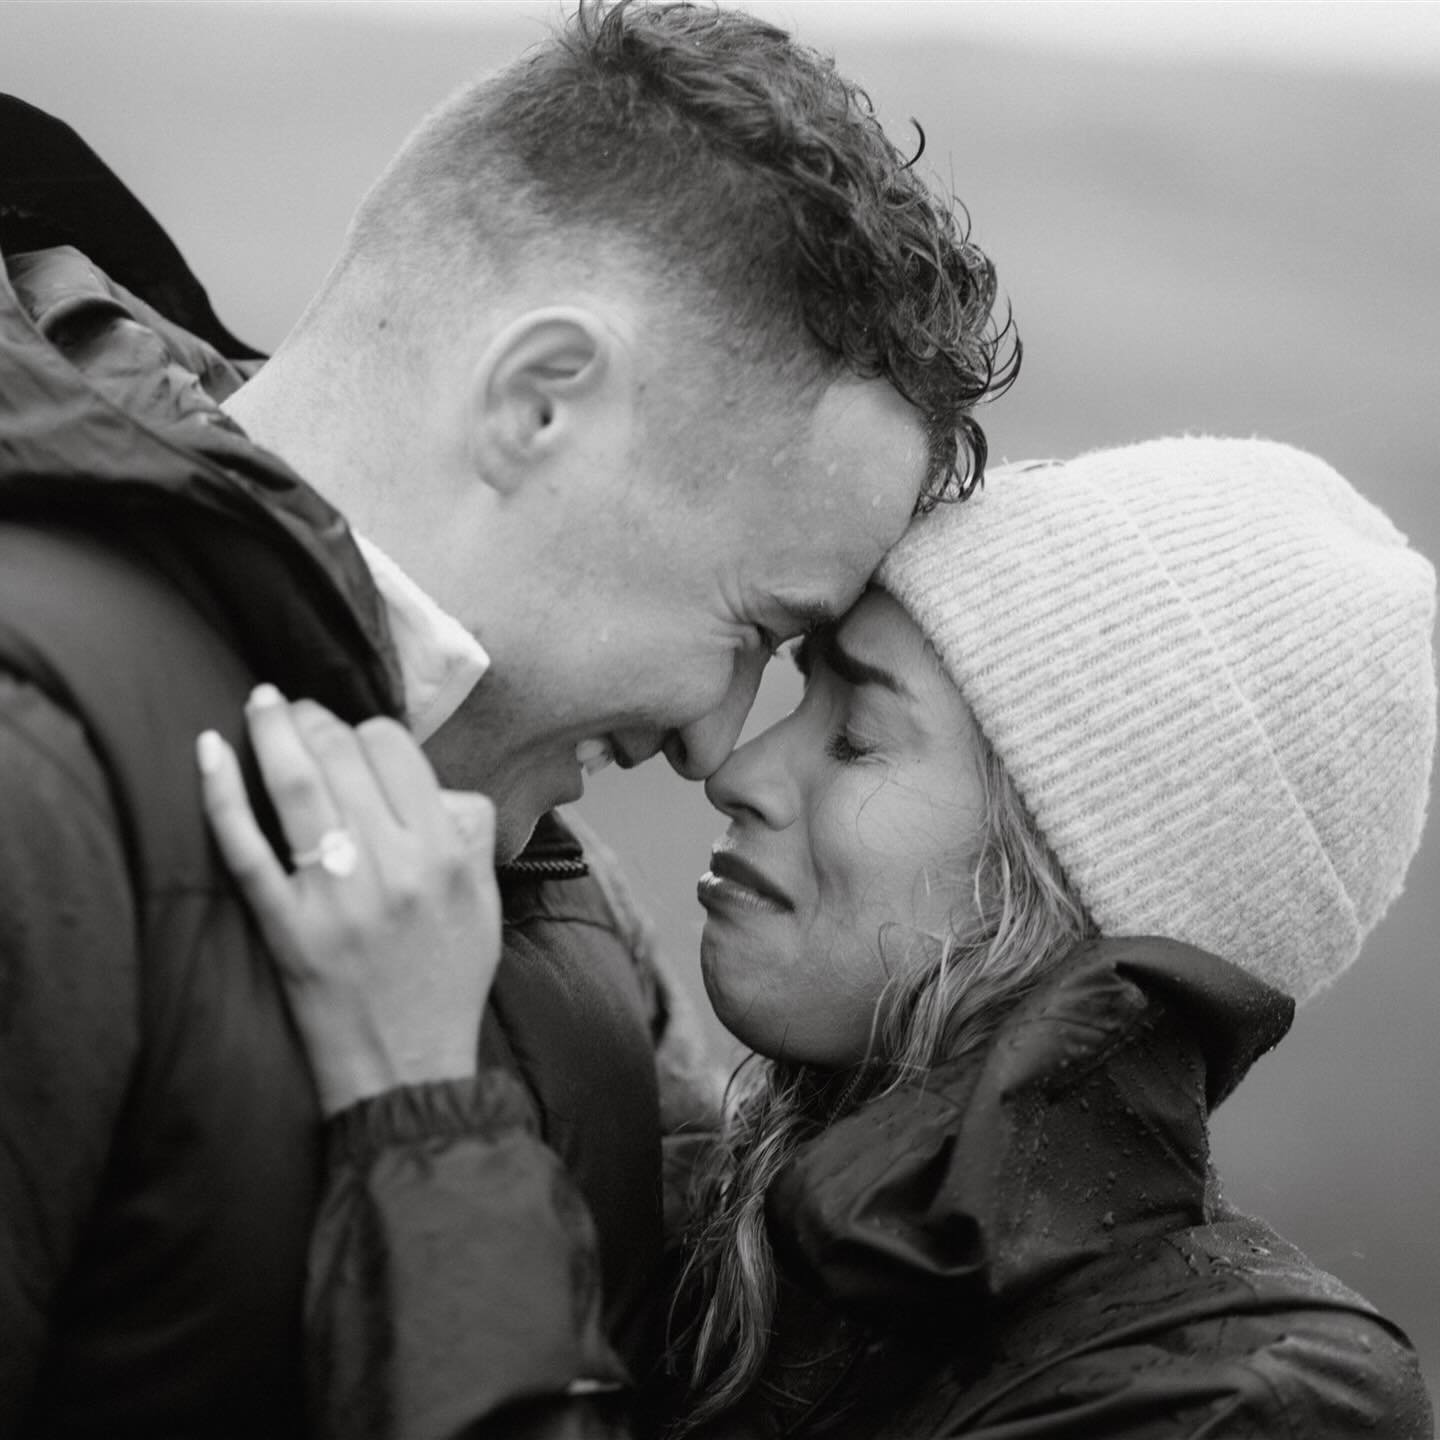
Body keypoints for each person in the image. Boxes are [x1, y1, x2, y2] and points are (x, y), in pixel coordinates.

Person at [0, 4, 1016, 1433]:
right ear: (540, 405)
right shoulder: (32, 763)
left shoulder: (542, 871)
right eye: (753, 629)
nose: (721, 745)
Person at [202, 436, 1436, 1438]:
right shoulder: (734, 1237)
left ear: (1068, 878)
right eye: (801, 693)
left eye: (856, 738)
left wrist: (419, 1108)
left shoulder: (1248, 1405)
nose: (736, 767)